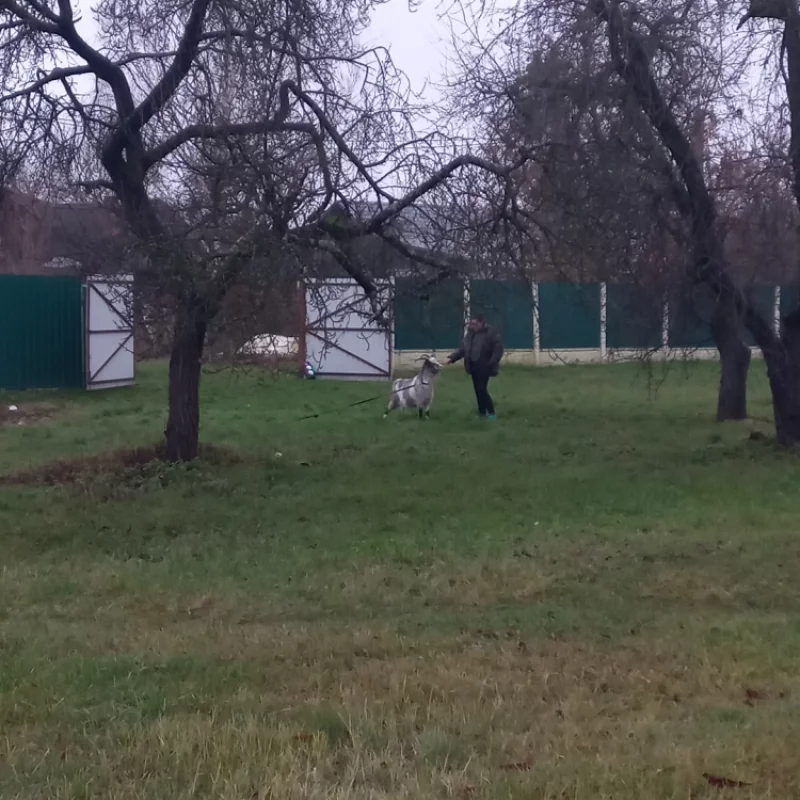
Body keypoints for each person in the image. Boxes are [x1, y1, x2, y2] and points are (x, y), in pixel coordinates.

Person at [447, 313, 504, 420]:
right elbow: (464, 348)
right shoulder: (470, 333)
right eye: (471, 323)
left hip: (485, 366)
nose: (472, 326)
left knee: (482, 389)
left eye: (474, 323)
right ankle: (482, 413)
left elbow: (498, 350)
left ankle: (491, 413)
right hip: (473, 366)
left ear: (481, 322)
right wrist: (453, 358)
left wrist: (491, 362)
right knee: (477, 391)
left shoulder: (491, 333)